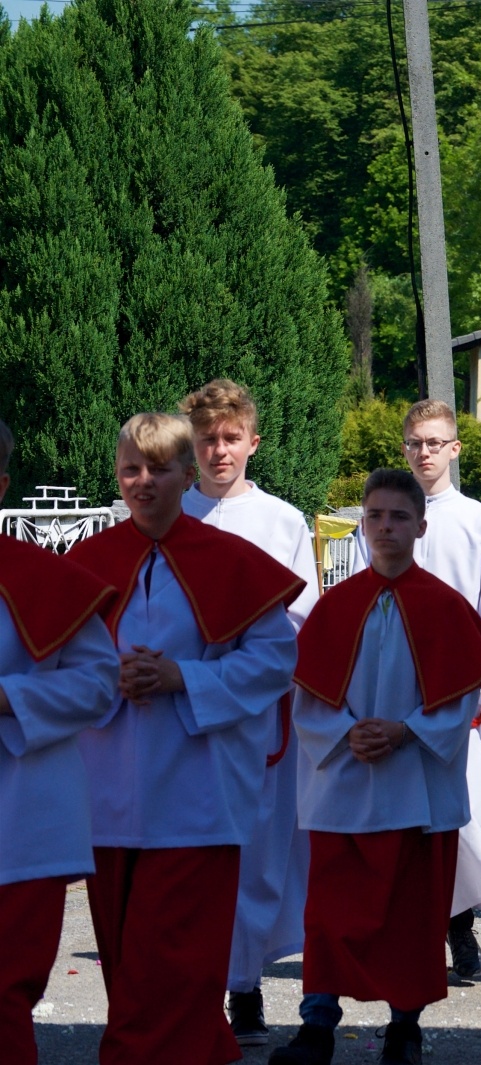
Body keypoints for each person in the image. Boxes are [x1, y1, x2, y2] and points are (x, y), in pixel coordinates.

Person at [69, 413, 302, 1064]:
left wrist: (184, 676)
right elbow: (53, 662)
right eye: (130, 470)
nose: (143, 482)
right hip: (108, 799)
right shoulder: (90, 561)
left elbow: (277, 658)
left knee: (170, 969)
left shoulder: (228, 560)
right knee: (128, 969)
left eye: (159, 468)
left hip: (195, 799)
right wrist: (103, 676)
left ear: (185, 472)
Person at [269, 469, 481, 1065]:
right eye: (375, 516)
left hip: (414, 786)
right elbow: (308, 699)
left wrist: (406, 732)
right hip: (343, 786)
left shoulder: (446, 607)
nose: (385, 527)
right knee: (329, 913)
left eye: (398, 517)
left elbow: (460, 701)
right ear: (362, 525)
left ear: (420, 527)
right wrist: (347, 732)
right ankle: (316, 1027)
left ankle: (405, 1030)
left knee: (410, 917)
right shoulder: (335, 605)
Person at [179, 380, 322, 1046]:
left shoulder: (282, 520)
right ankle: (201, 983)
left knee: (258, 853)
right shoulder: (171, 515)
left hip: (261, 711)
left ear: (253, 442)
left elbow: (304, 616)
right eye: (208, 438)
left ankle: (244, 983)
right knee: (194, 853)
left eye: (231, 437)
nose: (219, 450)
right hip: (183, 711)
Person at [353, 399, 481, 976]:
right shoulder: (378, 517)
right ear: (404, 447)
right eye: (414, 442)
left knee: (460, 819)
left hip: (462, 694)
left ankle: (459, 925)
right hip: (394, 688)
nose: (424, 452)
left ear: (454, 448)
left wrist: (480, 693)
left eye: (434, 442)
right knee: (399, 817)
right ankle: (413, 930)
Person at [0, 416, 121, 1065]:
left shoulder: (44, 580)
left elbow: (99, 684)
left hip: (20, 824)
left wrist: (9, 697)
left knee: (2, 996)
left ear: (0, 485)